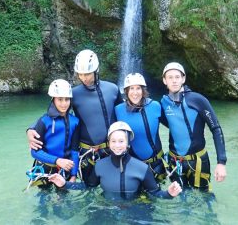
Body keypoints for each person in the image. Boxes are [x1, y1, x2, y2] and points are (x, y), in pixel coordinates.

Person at [27, 50, 123, 186]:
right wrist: (31, 128)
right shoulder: (74, 93)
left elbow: (123, 115)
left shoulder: (113, 89)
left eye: (87, 74)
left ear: (96, 70)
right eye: (81, 74)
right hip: (86, 152)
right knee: (89, 191)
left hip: (110, 149)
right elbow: (54, 113)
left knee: (113, 188)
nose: (84, 78)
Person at [49, 121, 182, 199]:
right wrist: (64, 184)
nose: (117, 145)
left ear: (128, 143)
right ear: (108, 143)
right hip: (107, 208)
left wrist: (169, 193)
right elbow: (88, 187)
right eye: (113, 141)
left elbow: (155, 193)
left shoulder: (142, 168)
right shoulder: (99, 166)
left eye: (121, 141)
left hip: (135, 208)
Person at [161, 62, 227, 192]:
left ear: (183, 79)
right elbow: (170, 125)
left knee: (205, 198)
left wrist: (221, 163)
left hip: (198, 161)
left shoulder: (197, 100)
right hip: (175, 161)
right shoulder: (163, 103)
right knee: (181, 198)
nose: (174, 81)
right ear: (164, 80)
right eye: (170, 77)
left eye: (177, 77)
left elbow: (216, 129)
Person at [115, 73, 166, 181]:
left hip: (156, 164)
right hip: (132, 165)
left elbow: (173, 126)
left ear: (143, 90)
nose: (135, 92)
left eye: (138, 88)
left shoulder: (155, 106)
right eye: (131, 88)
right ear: (126, 91)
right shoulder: (118, 110)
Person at [28, 79, 79, 187]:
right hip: (44, 168)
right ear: (53, 100)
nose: (64, 104)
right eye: (60, 99)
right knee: (43, 200)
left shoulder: (75, 121)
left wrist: (74, 175)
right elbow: (34, 152)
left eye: (67, 99)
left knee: (62, 201)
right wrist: (57, 161)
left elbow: (74, 151)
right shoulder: (44, 121)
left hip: (64, 168)